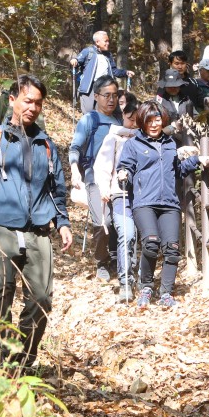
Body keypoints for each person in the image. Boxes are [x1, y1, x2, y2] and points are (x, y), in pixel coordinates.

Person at [0, 75, 73, 367]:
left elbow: (57, 188)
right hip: (0, 228)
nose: (33, 107)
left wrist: (62, 222)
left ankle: (23, 361)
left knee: (42, 300)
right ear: (12, 100)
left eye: (38, 103)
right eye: (28, 100)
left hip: (39, 231)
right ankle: (1, 363)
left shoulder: (46, 144)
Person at [115, 102, 209, 308]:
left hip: (170, 203)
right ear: (142, 121)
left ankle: (166, 292)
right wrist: (123, 173)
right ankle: (146, 287)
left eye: (157, 119)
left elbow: (176, 171)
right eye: (149, 120)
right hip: (144, 202)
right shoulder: (133, 144)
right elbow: (126, 167)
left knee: (172, 249)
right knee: (150, 243)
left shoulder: (169, 143)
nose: (154, 124)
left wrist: (196, 160)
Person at [69, 75, 122, 281]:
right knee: (102, 220)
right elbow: (75, 147)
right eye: (106, 95)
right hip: (93, 176)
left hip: (117, 177)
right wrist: (75, 170)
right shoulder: (89, 120)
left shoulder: (119, 120)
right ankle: (102, 261)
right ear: (97, 96)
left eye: (115, 96)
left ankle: (117, 258)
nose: (111, 100)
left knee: (118, 218)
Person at [92, 97, 140, 301]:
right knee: (126, 234)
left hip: (143, 195)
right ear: (123, 117)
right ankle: (125, 281)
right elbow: (102, 165)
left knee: (138, 237)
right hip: (119, 193)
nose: (134, 124)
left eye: (138, 119)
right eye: (130, 119)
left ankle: (137, 276)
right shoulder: (114, 137)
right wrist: (103, 188)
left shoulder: (145, 138)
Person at [73, 30, 134, 113]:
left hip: (105, 87)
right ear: (97, 42)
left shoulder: (108, 55)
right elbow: (77, 61)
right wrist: (74, 61)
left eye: (108, 41)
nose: (108, 43)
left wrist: (125, 72)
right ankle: (88, 125)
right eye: (106, 41)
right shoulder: (88, 51)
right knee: (88, 112)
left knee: (103, 112)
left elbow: (114, 71)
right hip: (89, 87)